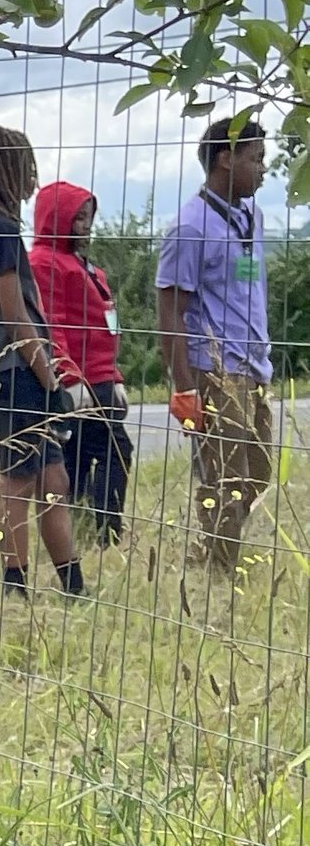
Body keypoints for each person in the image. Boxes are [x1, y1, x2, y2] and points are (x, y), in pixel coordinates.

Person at [0, 126, 83, 598]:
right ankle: (15, 585)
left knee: (53, 477)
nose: (32, 176)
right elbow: (15, 315)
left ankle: (73, 585)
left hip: (2, 367)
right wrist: (50, 378)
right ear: (9, 170)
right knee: (21, 478)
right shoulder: (1, 227)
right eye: (25, 165)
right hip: (18, 369)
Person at [157, 110, 275, 575]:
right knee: (225, 477)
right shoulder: (190, 226)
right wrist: (185, 387)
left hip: (254, 366)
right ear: (226, 159)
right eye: (257, 159)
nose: (263, 170)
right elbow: (171, 312)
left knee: (259, 471)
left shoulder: (252, 216)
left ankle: (209, 552)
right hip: (214, 369)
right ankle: (216, 574)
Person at [28, 181, 132, 542]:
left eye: (88, 217)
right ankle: (106, 531)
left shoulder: (85, 266)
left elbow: (105, 325)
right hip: (80, 381)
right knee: (111, 450)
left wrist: (114, 376)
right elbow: (50, 323)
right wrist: (69, 378)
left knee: (84, 453)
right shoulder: (45, 263)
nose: (85, 225)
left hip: (99, 378)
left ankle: (87, 527)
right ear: (57, 218)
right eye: (78, 218)